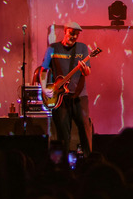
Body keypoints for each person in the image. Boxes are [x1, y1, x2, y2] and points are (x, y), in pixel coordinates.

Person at [40, 21, 93, 154]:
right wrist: (44, 88)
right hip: (60, 97)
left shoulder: (82, 48)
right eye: (71, 33)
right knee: (63, 134)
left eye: (76, 35)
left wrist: (84, 69)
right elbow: (43, 70)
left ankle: (89, 159)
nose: (74, 37)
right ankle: (63, 162)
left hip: (80, 96)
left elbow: (88, 72)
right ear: (65, 31)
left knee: (85, 128)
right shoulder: (52, 48)